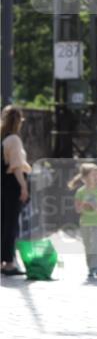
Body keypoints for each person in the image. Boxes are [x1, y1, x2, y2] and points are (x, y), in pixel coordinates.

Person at [1, 106, 31, 276]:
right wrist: (23, 187)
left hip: (2, 184)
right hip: (12, 184)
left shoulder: (2, 138)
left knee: (3, 222)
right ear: (18, 121)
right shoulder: (14, 140)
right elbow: (17, 166)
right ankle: (9, 263)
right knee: (11, 224)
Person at [69, 163, 97, 279]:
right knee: (88, 246)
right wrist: (84, 205)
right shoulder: (80, 192)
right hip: (85, 223)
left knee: (96, 245)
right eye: (93, 175)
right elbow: (77, 209)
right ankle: (91, 267)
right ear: (85, 178)